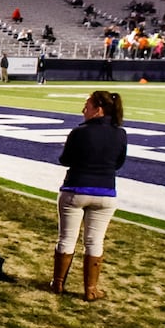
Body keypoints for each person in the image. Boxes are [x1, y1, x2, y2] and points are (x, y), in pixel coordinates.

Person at [51, 91, 128, 301]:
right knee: (95, 242)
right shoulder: (120, 134)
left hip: (76, 189)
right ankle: (91, 289)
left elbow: (65, 159)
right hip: (105, 192)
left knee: (67, 239)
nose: (83, 110)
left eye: (87, 106)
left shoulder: (80, 132)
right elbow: (119, 163)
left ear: (98, 109)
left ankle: (58, 282)